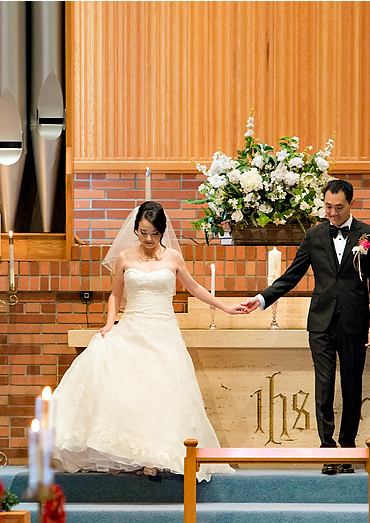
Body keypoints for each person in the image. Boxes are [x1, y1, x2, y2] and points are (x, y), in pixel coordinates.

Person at [52, 201, 248, 481]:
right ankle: (138, 454)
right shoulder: (124, 257)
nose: (147, 239)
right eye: (143, 232)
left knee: (163, 393)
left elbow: (194, 288)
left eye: (154, 234)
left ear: (162, 232)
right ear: (135, 230)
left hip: (163, 332)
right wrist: (109, 323)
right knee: (126, 387)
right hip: (132, 326)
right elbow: (115, 295)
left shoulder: (174, 258)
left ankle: (157, 456)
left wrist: (226, 307)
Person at [242, 178, 370, 475]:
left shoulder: (369, 235)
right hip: (321, 321)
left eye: (338, 208)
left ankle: (348, 449)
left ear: (351, 204)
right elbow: (291, 276)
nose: (331, 213)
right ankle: (327, 449)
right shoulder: (314, 235)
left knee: (351, 384)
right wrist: (261, 298)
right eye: (327, 207)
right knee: (324, 385)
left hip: (354, 321)